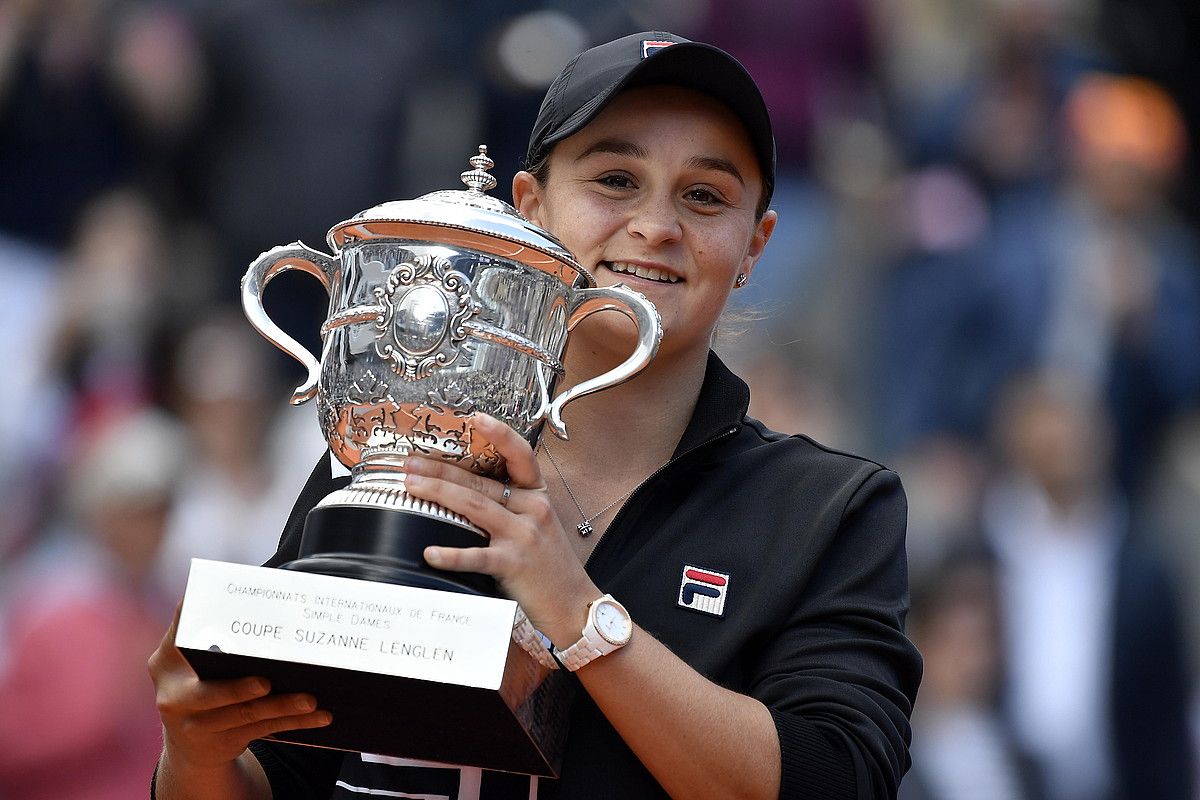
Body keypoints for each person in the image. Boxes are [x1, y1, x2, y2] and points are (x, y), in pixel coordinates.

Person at [148, 31, 921, 799]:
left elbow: (837, 780)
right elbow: (279, 769)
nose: (656, 224)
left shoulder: (827, 510)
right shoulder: (398, 448)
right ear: (530, 208)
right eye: (615, 179)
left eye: (705, 196)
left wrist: (581, 616)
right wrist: (197, 750)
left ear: (755, 246)